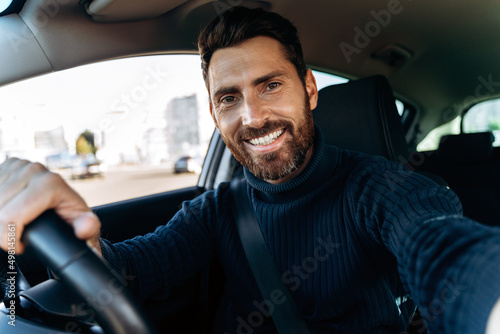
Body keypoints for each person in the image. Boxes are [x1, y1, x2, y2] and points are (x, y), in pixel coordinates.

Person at [1, 6, 500, 334]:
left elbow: (442, 250)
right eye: (229, 98)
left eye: (270, 85)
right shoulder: (217, 209)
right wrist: (57, 236)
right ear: (215, 113)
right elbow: (132, 270)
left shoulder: (381, 189)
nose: (253, 116)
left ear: (308, 89)